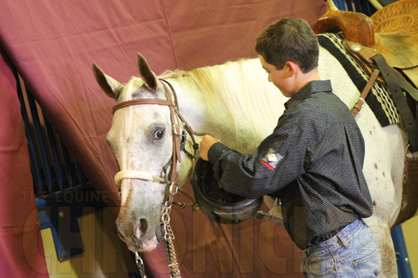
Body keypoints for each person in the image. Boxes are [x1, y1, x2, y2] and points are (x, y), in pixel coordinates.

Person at [199, 17, 381, 277]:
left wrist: (214, 150)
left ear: (289, 68)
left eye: (268, 70)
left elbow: (258, 174)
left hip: (335, 257)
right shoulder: (335, 106)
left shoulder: (303, 120)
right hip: (356, 245)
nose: (269, 79)